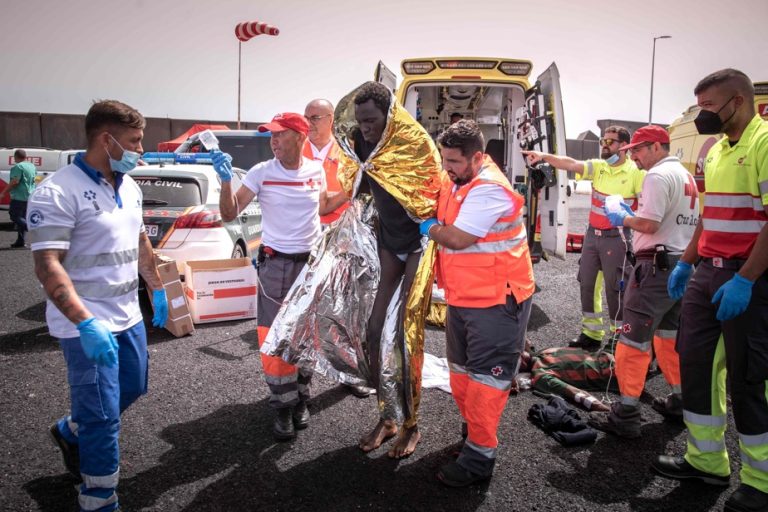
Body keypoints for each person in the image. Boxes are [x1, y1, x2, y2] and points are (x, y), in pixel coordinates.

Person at [27, 100, 168, 512]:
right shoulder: (57, 191)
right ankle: (98, 496)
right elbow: (47, 265)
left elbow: (141, 241)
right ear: (106, 141)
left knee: (133, 386)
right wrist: (86, 323)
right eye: (134, 141)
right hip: (84, 325)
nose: (140, 149)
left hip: (128, 316)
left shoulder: (131, 186)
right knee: (104, 417)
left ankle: (72, 430)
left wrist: (156, 288)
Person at [651, 69, 768, 512]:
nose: (702, 116)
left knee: (750, 379)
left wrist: (746, 279)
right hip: (707, 273)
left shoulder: (764, 144)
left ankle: (760, 480)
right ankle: (706, 461)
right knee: (696, 365)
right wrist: (686, 263)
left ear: (737, 101)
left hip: (749, 277)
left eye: (708, 107)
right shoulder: (716, 152)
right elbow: (709, 216)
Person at [215, 112, 346, 442]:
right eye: (270, 135)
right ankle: (283, 406)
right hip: (276, 267)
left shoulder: (316, 171)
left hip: (310, 267)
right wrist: (226, 181)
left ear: (300, 138)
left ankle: (302, 396)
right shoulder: (262, 173)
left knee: (307, 335)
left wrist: (353, 189)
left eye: (279, 134)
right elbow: (230, 213)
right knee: (274, 337)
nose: (272, 141)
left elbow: (323, 206)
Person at [422, 119, 534, 486]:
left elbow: (456, 238)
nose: (446, 168)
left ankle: (479, 460)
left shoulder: (488, 189)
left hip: (497, 301)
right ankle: (473, 435)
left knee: (487, 382)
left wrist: (429, 228)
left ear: (478, 157)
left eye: (453, 161)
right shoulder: (458, 179)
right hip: (464, 298)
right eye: (444, 159)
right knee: (461, 374)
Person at [585, 125, 699, 438]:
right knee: (668, 336)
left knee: (632, 339)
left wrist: (623, 217)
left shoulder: (657, 176)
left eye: (637, 149)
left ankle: (626, 412)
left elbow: (649, 223)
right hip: (680, 265)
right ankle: (679, 399)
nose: (633, 156)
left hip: (656, 267)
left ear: (657, 147)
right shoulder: (684, 175)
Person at [346, 81, 440, 459]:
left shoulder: (413, 142)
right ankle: (387, 417)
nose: (366, 126)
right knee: (373, 330)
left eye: (371, 120)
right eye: (361, 121)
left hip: (419, 243)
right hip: (389, 243)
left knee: (405, 334)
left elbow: (434, 190)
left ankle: (412, 425)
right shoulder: (358, 140)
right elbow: (361, 186)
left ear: (388, 113)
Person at [523, 127, 645, 351]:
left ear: (624, 146)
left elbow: (646, 209)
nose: (604, 145)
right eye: (602, 140)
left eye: (610, 141)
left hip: (617, 238)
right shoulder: (599, 167)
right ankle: (592, 334)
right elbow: (569, 163)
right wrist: (543, 157)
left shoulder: (636, 173)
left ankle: (618, 338)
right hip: (593, 237)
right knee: (587, 284)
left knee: (615, 289)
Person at [0, 149, 37, 247]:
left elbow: (15, 181)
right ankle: (20, 241)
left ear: (15, 157)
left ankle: (34, 229)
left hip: (19, 196)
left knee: (14, 215)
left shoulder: (18, 167)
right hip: (29, 195)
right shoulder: (32, 166)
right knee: (22, 217)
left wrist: (3, 193)